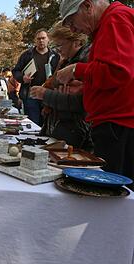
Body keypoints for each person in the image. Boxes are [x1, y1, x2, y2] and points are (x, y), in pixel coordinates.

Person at [57, 0, 134, 182]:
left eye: (71, 21)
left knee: (115, 195)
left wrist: (77, 70)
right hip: (117, 125)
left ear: (87, 6)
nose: (73, 29)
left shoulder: (115, 19)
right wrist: (86, 86)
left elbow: (119, 71)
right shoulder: (110, 22)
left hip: (118, 126)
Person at [29, 22, 92, 150]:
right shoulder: (65, 62)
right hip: (62, 129)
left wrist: (45, 94)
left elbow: (79, 103)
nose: (58, 49)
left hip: (74, 136)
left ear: (76, 42)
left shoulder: (84, 63)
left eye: (60, 45)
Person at [12, 29, 60, 126]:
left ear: (48, 39)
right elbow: (15, 71)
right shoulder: (27, 55)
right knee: (33, 124)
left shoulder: (55, 56)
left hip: (48, 94)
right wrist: (23, 78)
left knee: (47, 124)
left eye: (43, 38)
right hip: (31, 94)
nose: (41, 41)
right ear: (35, 40)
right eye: (38, 39)